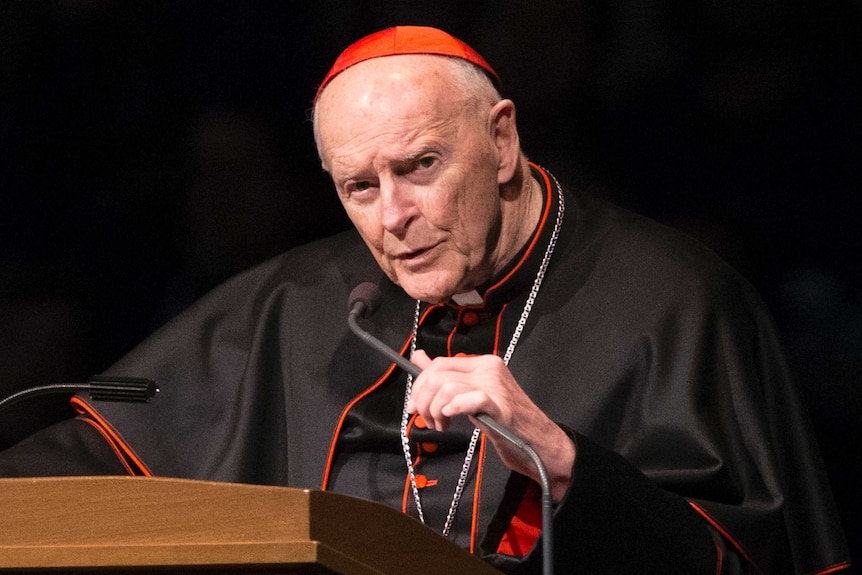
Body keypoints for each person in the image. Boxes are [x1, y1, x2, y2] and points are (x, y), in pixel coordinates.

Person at [0, 26, 850, 574]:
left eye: (421, 167)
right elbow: (84, 464)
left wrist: (562, 463)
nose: (394, 217)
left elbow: (750, 561)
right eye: (359, 186)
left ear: (504, 139)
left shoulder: (676, 298)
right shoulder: (303, 297)